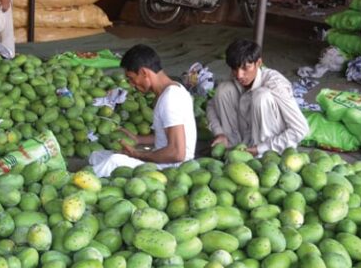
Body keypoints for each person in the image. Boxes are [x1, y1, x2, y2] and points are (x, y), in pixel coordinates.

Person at [89, 44, 197, 177]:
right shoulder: (173, 90)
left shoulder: (170, 99)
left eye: (131, 79)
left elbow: (177, 153)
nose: (131, 85)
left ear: (144, 73)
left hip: (171, 169)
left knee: (113, 161)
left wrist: (138, 154)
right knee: (97, 156)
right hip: (164, 160)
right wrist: (138, 139)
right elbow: (168, 135)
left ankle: (71, 186)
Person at [207, 39, 309, 155]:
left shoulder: (276, 84)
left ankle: (263, 154)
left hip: (270, 148)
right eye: (235, 69)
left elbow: (301, 129)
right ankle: (231, 147)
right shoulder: (235, 77)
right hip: (244, 143)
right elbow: (211, 106)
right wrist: (219, 132)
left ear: (259, 63)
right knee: (224, 89)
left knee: (261, 96)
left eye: (246, 68)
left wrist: (262, 148)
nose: (239, 75)